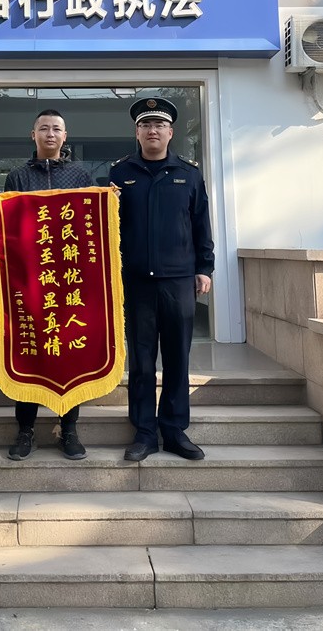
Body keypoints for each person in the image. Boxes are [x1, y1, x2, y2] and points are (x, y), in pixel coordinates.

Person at [109, 97, 214, 463]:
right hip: (136, 282)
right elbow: (106, 228)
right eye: (145, 125)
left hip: (178, 281)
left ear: (170, 132)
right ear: (136, 132)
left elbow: (201, 224)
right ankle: (144, 433)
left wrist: (205, 268)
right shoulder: (120, 174)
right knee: (140, 361)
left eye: (159, 125)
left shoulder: (189, 173)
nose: (152, 130)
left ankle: (174, 430)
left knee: (176, 358)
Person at [3, 108, 93, 461]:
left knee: (70, 355)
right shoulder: (18, 176)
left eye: (56, 129)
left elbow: (89, 223)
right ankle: (25, 430)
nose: (50, 134)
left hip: (69, 282)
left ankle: (68, 430)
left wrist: (108, 203)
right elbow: (8, 226)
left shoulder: (80, 175)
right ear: (34, 134)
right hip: (30, 281)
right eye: (44, 128)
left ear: (65, 136)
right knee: (29, 353)